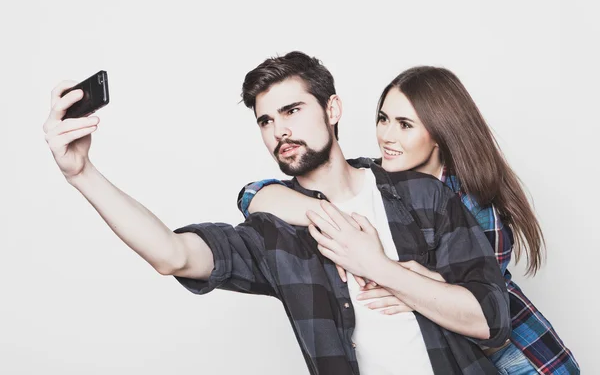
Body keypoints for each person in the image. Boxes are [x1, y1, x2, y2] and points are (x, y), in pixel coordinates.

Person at [43, 52, 510, 375]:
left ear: (332, 109)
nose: (278, 130)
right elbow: (173, 254)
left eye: (291, 110)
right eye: (265, 120)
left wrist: (377, 268)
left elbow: (490, 319)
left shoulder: (421, 195)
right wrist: (82, 173)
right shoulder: (274, 230)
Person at [238, 65, 580, 374]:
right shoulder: (379, 181)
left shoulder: (469, 202)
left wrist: (397, 279)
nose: (387, 136)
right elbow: (257, 193)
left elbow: (485, 308)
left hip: (521, 358)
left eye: (405, 125)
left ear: (439, 133)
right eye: (383, 119)